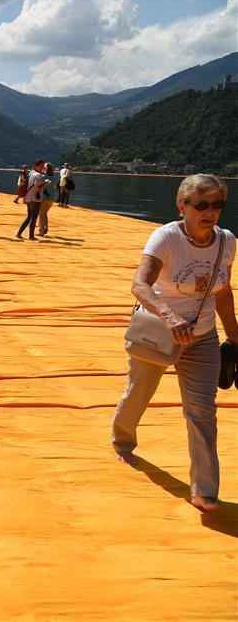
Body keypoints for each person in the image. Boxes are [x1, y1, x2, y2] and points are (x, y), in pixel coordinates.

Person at [112, 174, 236, 512]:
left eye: (217, 205)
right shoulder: (165, 236)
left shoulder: (227, 242)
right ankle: (122, 442)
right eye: (202, 205)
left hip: (203, 337)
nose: (210, 212)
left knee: (202, 412)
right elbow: (139, 285)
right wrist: (171, 317)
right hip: (159, 331)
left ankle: (204, 491)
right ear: (182, 205)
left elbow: (223, 292)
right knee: (139, 391)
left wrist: (234, 337)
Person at [16, 159, 50, 240]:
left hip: (28, 198)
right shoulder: (38, 175)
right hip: (35, 199)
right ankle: (31, 236)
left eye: (43, 167)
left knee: (29, 217)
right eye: (41, 166)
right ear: (36, 166)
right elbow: (37, 188)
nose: (42, 168)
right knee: (33, 218)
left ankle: (19, 233)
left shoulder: (31, 173)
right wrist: (46, 183)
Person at [37, 162, 57, 237]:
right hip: (51, 199)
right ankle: (45, 228)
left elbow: (38, 187)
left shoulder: (42, 177)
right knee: (44, 214)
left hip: (43, 198)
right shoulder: (54, 177)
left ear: (45, 169)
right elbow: (54, 187)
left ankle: (41, 231)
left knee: (41, 215)